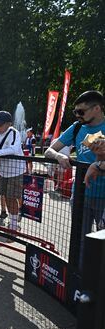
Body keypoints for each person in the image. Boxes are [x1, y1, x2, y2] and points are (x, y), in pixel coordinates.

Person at [45, 90, 105, 267]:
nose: (78, 115)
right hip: (80, 194)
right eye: (76, 112)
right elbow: (50, 150)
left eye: (81, 111)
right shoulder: (77, 127)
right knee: (80, 238)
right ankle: (78, 277)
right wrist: (59, 156)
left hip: (103, 196)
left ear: (96, 108)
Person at [0, 111, 26, 232]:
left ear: (8, 124)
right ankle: (14, 218)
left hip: (16, 171)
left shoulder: (13, 133)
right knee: (6, 196)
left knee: (12, 197)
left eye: (0, 124)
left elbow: (13, 149)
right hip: (4, 171)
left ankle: (13, 225)